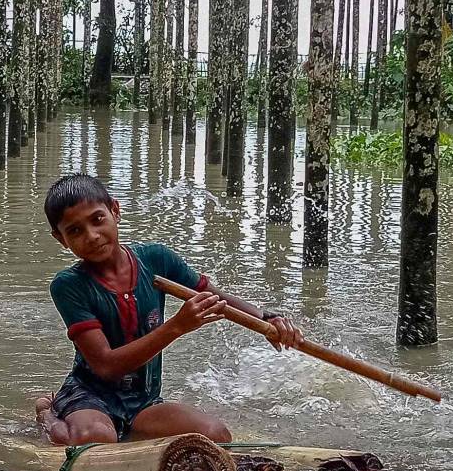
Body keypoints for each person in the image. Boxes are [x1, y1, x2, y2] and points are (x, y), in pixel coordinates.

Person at [32, 173, 301, 446]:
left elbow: (215, 297)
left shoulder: (155, 258)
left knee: (216, 436)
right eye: (75, 231)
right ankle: (48, 412)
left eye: (97, 219)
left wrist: (267, 319)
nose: (92, 236)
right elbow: (105, 366)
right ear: (61, 238)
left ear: (115, 210)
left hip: (143, 400)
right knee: (94, 438)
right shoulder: (68, 285)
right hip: (89, 397)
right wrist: (176, 327)